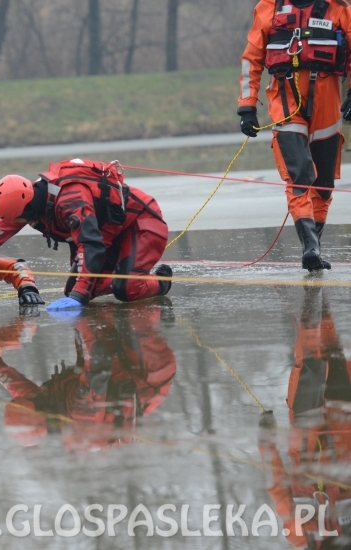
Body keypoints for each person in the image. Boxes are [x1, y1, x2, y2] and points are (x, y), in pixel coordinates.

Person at [0, 158, 172, 311]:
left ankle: (161, 281)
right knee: (81, 288)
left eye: (16, 218)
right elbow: (8, 224)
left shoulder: (70, 201)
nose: (14, 222)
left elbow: (90, 245)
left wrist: (79, 296)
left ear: (26, 210)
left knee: (126, 289)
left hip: (141, 223)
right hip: (109, 232)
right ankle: (121, 275)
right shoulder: (33, 200)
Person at [239, 0, 351, 271]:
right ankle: (310, 247)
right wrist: (247, 105)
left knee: (323, 182)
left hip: (328, 101)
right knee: (299, 173)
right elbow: (251, 59)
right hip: (284, 99)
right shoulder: (268, 8)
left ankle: (315, 246)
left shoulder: (339, 8)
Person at [0, 302, 176, 448]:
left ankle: (142, 293)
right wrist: (81, 318)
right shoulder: (81, 413)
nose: (32, 393)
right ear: (41, 412)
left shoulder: (44, 406)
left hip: (125, 372)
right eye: (32, 398)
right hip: (151, 378)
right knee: (116, 317)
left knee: (96, 314)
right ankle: (160, 308)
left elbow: (18, 388)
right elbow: (98, 362)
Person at [258, 287, 351, 548]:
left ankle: (313, 293)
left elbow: (276, 486)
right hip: (345, 417)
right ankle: (320, 292)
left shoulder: (300, 536)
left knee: (309, 358)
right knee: (333, 349)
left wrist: (266, 441)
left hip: (305, 426)